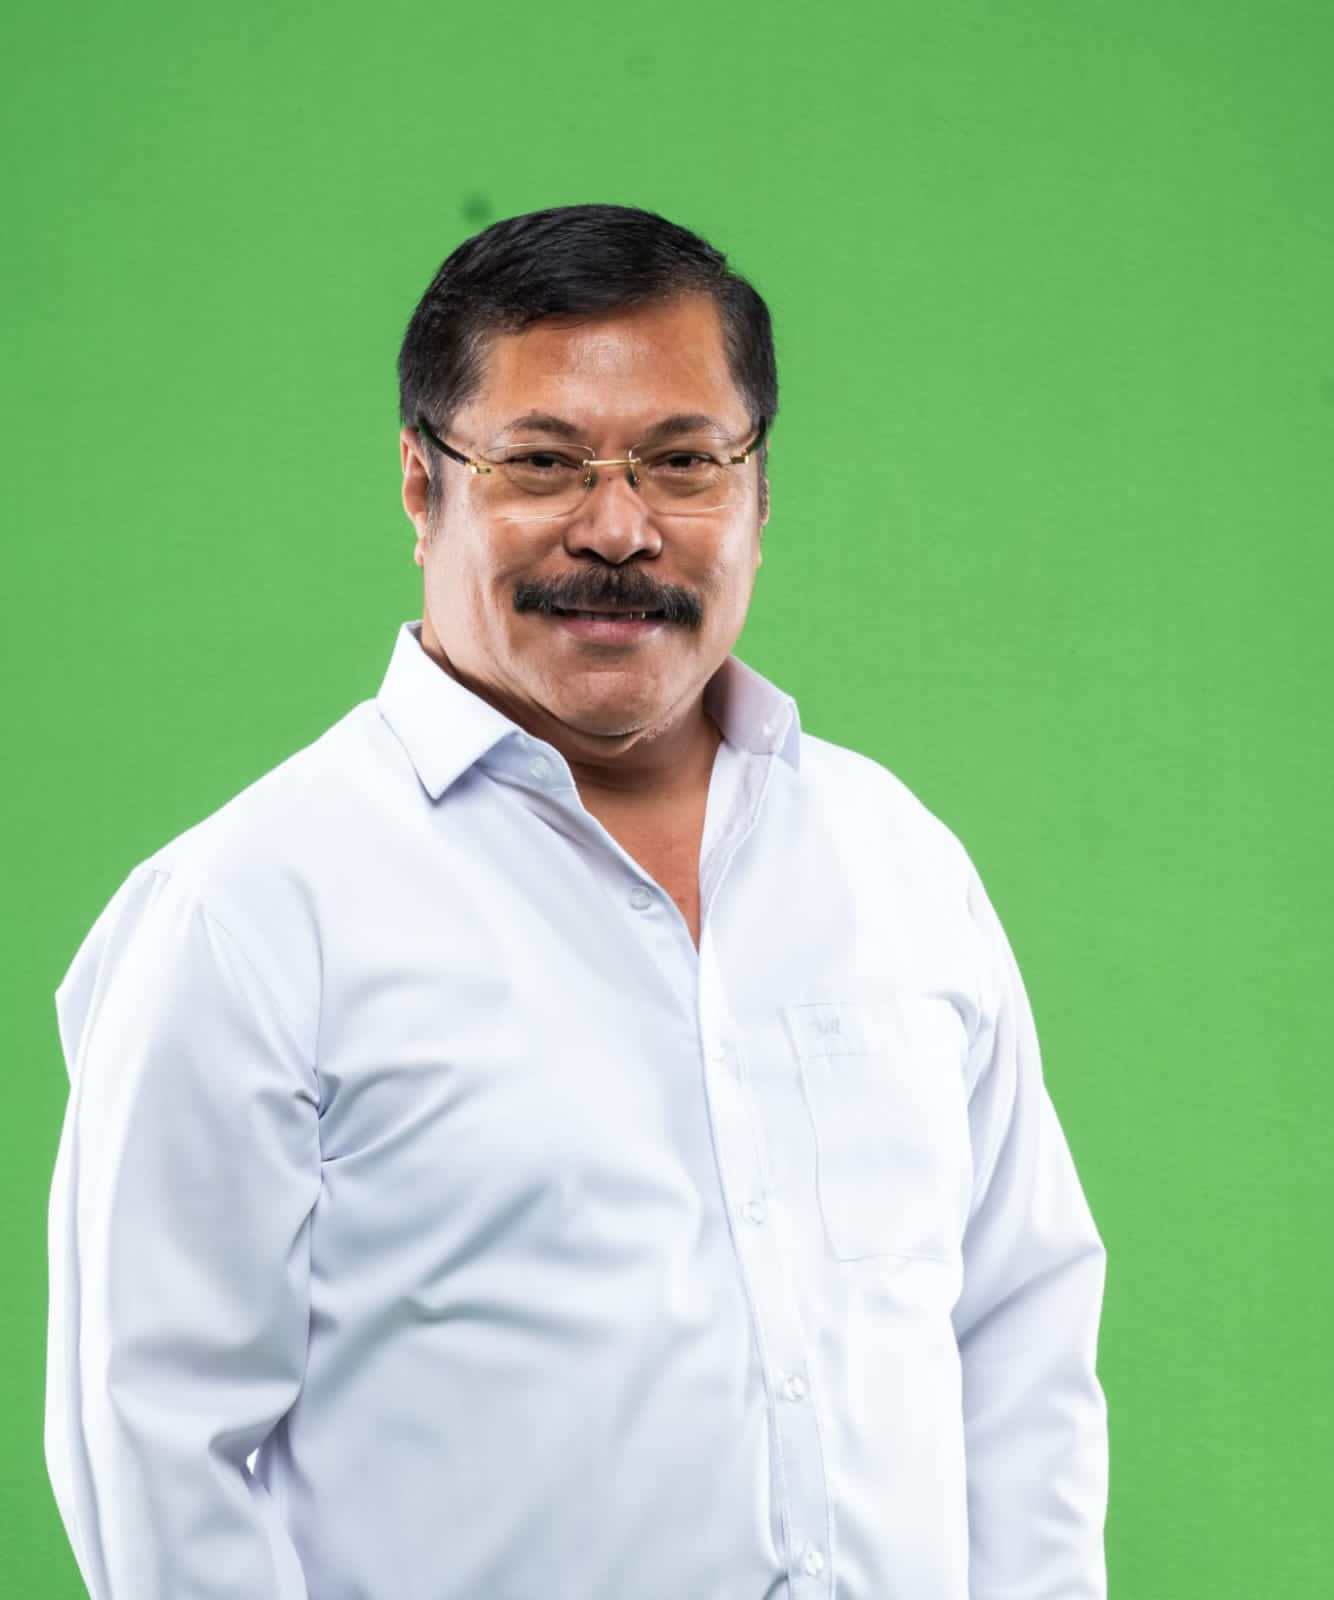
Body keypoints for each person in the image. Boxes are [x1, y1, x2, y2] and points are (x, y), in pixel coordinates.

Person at [44, 202, 1109, 1599]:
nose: (618, 529)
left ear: (759, 493)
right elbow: (155, 1445)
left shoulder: (893, 859)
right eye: (543, 463)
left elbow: (1020, 1343)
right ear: (422, 486)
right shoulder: (247, 912)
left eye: (683, 462)